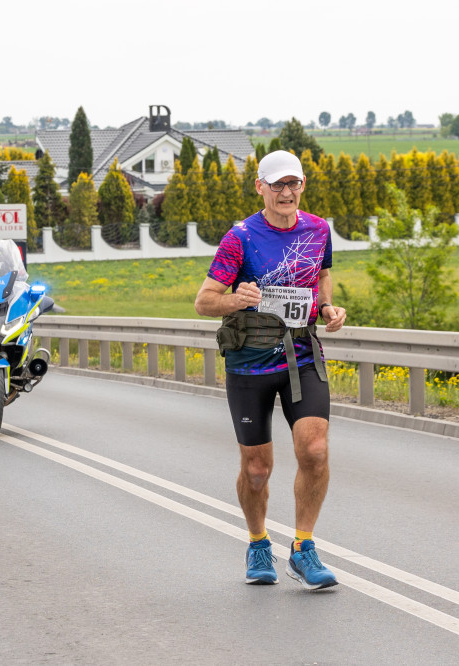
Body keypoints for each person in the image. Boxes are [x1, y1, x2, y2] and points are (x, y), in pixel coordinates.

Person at [193, 150, 347, 591]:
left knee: (314, 450)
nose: (286, 192)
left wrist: (330, 309)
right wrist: (234, 300)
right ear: (259, 186)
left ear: (302, 186)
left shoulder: (318, 230)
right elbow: (204, 301)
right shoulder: (239, 237)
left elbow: (321, 279)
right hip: (251, 363)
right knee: (257, 469)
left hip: (301, 357)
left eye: (293, 184)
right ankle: (259, 542)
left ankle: (303, 547)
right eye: (277, 184)